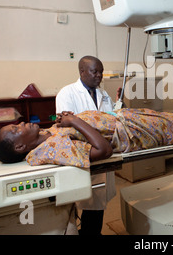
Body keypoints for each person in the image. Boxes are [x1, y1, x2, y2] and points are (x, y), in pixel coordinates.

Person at [0, 108, 173, 167]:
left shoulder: (47, 137)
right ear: (20, 147)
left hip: (124, 118)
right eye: (15, 130)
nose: (21, 123)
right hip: (131, 134)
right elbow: (102, 151)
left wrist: (64, 122)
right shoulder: (48, 151)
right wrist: (74, 121)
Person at [54, 55, 121, 235]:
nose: (99, 75)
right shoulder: (67, 93)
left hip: (103, 153)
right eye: (94, 71)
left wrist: (118, 103)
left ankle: (92, 233)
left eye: (101, 71)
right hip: (84, 155)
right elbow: (67, 127)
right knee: (77, 206)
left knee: (98, 203)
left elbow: (112, 117)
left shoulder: (103, 94)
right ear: (82, 72)